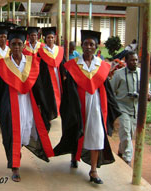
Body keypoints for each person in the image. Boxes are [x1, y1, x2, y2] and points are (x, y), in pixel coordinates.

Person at [54, 30, 121, 184]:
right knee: (75, 130)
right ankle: (73, 156)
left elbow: (107, 90)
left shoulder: (102, 66)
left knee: (97, 134)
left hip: (97, 105)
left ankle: (93, 170)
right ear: (81, 46)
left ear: (96, 47)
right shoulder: (72, 66)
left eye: (91, 44)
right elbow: (68, 90)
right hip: (78, 105)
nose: (88, 47)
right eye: (85, 44)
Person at [0, 29, 55, 182]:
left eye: (19, 43)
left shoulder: (32, 63)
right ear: (9, 45)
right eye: (13, 44)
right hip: (9, 105)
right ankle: (15, 166)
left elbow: (39, 89)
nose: (17, 47)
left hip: (28, 105)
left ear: (24, 45)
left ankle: (17, 154)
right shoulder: (3, 65)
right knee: (11, 134)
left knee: (25, 132)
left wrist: (44, 109)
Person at [110, 51, 151, 166]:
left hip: (136, 108)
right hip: (122, 107)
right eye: (132, 60)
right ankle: (127, 159)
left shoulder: (142, 73)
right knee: (126, 132)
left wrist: (148, 95)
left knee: (129, 133)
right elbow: (111, 91)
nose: (134, 62)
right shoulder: (119, 74)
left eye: (136, 60)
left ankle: (121, 150)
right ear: (126, 61)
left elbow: (148, 90)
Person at [38, 27, 65, 118]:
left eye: (52, 37)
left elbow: (63, 64)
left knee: (60, 94)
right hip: (47, 79)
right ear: (45, 39)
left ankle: (59, 111)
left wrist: (64, 74)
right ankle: (50, 114)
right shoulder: (41, 52)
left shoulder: (60, 50)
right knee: (49, 95)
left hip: (58, 78)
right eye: (48, 37)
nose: (50, 39)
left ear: (55, 38)